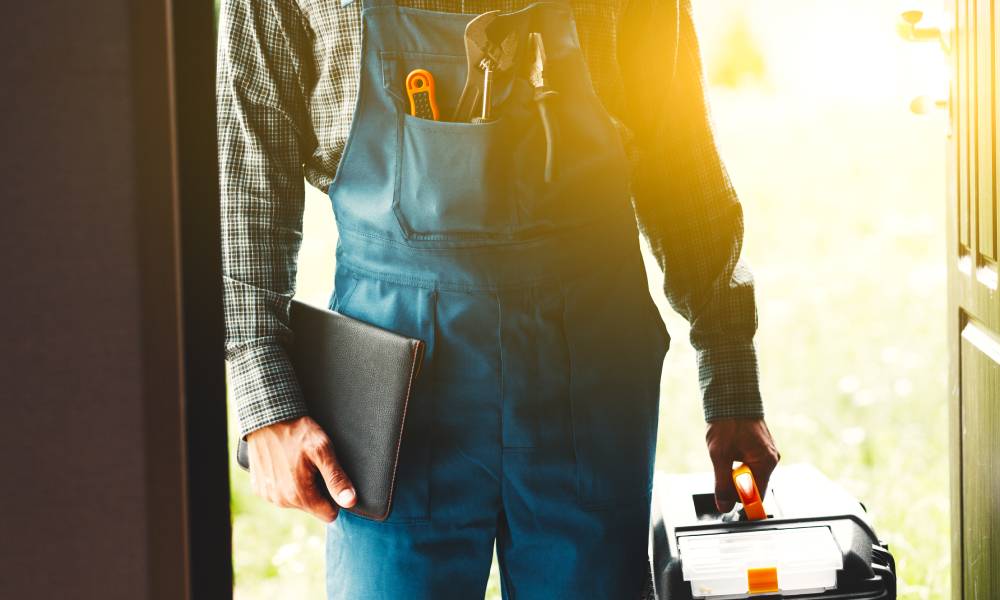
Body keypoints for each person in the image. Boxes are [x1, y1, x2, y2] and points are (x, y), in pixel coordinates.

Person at [217, 0, 781, 597]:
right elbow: (250, 176)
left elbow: (681, 167)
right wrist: (265, 397)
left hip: (587, 383)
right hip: (391, 402)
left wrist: (731, 378)